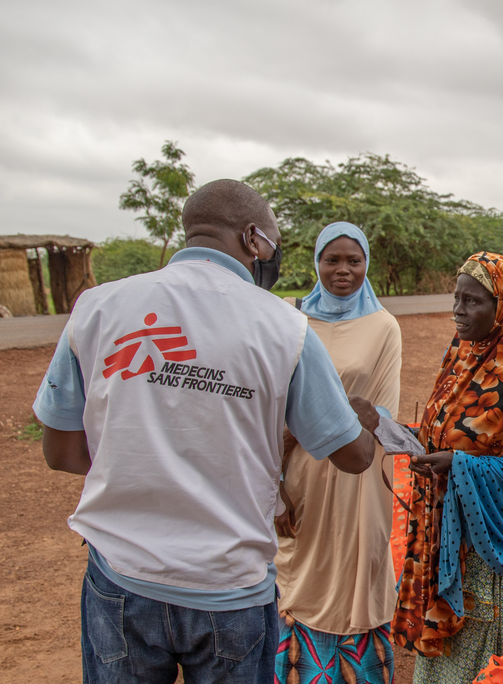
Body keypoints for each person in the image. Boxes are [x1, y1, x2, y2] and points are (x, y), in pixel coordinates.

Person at [31, 180, 376, 684]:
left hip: (122, 578)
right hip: (230, 588)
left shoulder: (98, 308)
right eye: (273, 246)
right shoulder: (286, 327)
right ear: (254, 239)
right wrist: (361, 422)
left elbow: (61, 452)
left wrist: (141, 445)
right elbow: (352, 456)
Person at [391, 252, 503, 684]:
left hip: (493, 557)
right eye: (456, 298)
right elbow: (455, 430)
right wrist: (412, 436)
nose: (458, 311)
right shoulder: (459, 363)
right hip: (445, 540)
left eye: (472, 302)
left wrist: (460, 466)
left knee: (489, 668)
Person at [273, 223, 402, 683]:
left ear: (366, 265)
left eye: (354, 260)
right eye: (332, 260)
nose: (343, 270)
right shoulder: (290, 319)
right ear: (316, 263)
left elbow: (383, 407)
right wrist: (274, 489)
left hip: (360, 469)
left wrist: (346, 419)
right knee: (298, 565)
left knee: (358, 562)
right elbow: (272, 409)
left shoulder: (384, 325)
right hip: (297, 469)